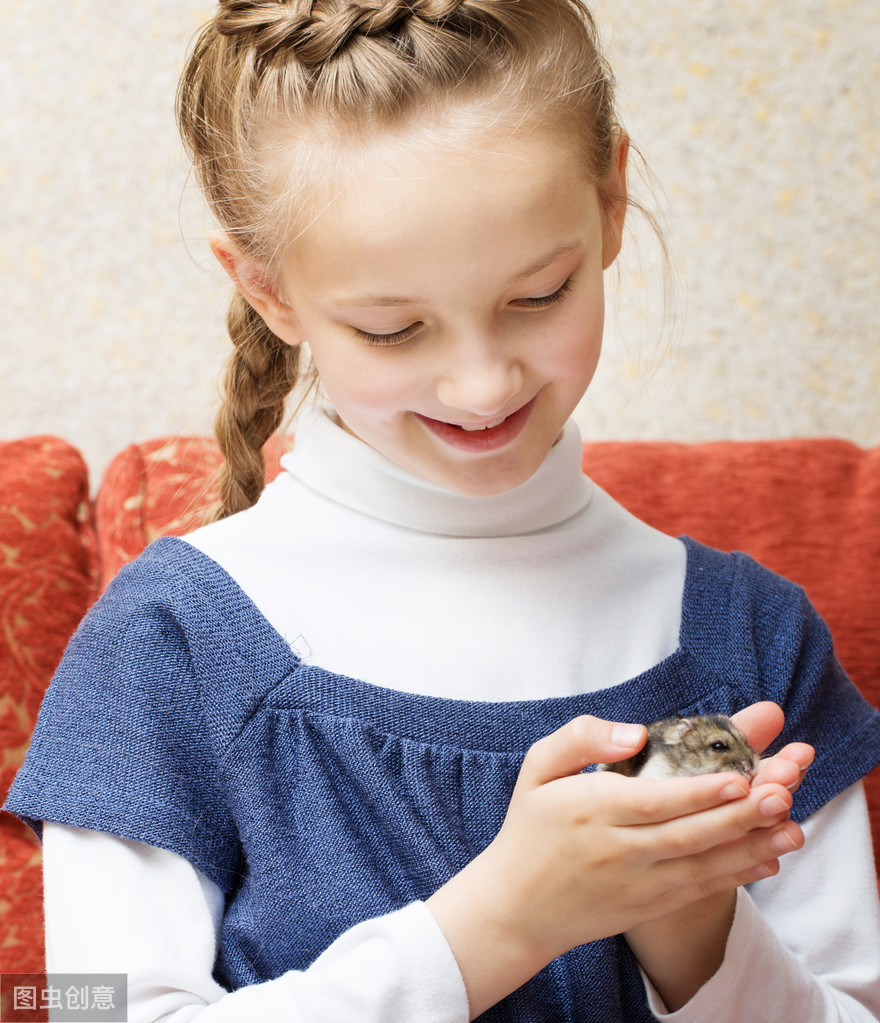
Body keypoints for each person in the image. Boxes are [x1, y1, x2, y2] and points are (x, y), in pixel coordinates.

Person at [5, 1, 880, 1020]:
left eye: (537, 295)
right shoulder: (159, 644)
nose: (479, 385)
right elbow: (73, 1008)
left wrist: (694, 929)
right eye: (393, 327)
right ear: (268, 290)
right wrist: (503, 922)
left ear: (609, 203)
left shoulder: (751, 636)